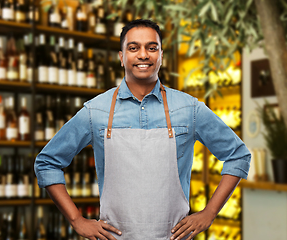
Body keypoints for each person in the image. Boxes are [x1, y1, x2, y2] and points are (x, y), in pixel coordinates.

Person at [34, 19, 250, 240]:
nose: (143, 55)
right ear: (121, 57)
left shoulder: (189, 109)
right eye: (133, 47)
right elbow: (47, 162)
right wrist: (76, 220)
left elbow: (238, 156)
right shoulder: (96, 111)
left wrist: (209, 213)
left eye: (152, 47)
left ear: (161, 56)